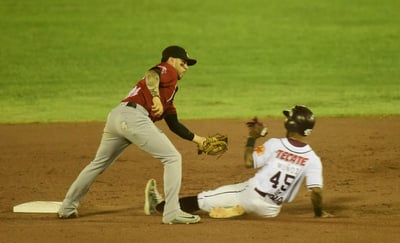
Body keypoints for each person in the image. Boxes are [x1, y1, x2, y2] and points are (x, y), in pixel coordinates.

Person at [58, 45, 207, 224]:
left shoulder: (170, 91)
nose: (186, 67)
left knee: (98, 164)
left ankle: (67, 207)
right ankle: (172, 212)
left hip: (117, 117)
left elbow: (174, 124)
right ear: (172, 60)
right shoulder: (167, 70)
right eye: (183, 63)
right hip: (133, 118)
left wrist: (198, 139)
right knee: (173, 158)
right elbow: (151, 74)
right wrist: (155, 97)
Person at [144, 105, 334, 219]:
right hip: (271, 210)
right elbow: (316, 191)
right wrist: (319, 213)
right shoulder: (312, 159)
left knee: (202, 199)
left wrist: (252, 138)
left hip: (250, 195)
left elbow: (248, 162)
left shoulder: (275, 145)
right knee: (251, 203)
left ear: (290, 124)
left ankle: (159, 206)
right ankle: (238, 210)